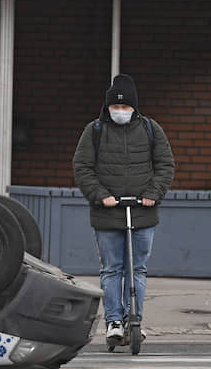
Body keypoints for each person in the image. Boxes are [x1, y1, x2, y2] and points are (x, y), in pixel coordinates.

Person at [72, 74, 174, 344]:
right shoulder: (94, 131)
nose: (120, 112)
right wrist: (100, 195)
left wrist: (153, 194)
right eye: (115, 107)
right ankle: (114, 321)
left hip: (142, 211)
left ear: (134, 108)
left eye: (125, 107)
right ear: (108, 108)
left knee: (137, 269)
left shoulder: (151, 129)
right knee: (111, 269)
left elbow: (165, 165)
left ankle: (134, 317)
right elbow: (82, 167)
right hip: (107, 212)